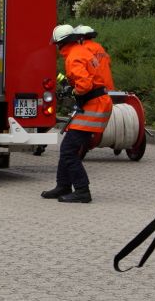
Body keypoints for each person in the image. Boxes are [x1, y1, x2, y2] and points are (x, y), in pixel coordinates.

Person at [42, 24, 112, 203]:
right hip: (96, 103)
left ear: (61, 44)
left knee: (68, 150)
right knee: (68, 147)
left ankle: (82, 191)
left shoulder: (73, 57)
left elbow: (85, 85)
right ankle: (63, 186)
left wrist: (73, 92)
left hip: (93, 106)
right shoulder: (83, 51)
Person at [74, 25, 115, 90]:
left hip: (97, 90)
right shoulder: (99, 47)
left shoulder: (84, 49)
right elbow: (108, 63)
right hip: (109, 87)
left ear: (81, 38)